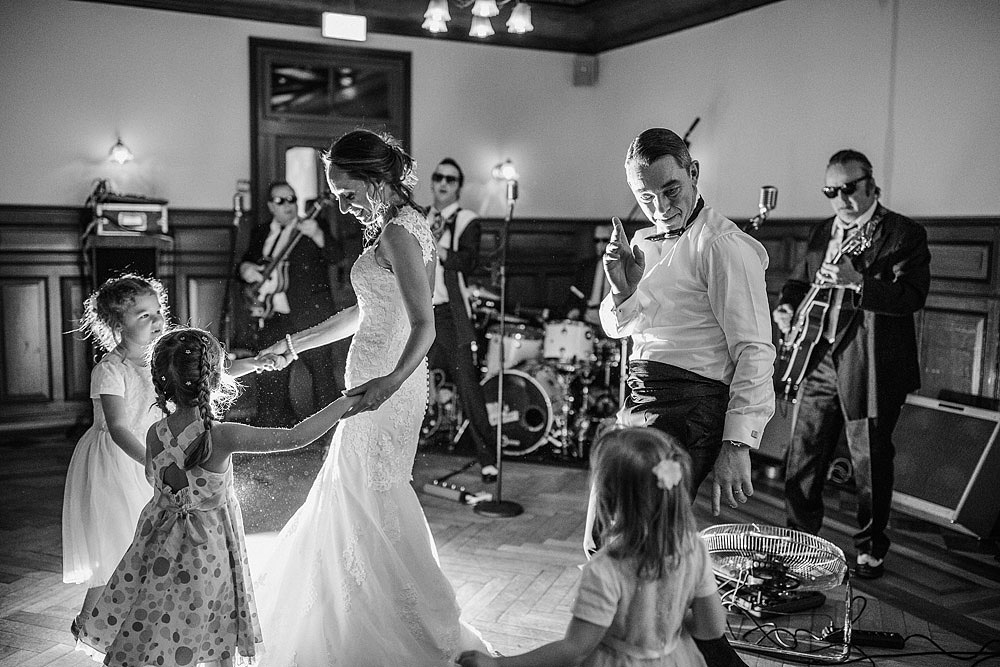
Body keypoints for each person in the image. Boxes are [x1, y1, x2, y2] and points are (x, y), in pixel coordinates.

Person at [253, 130, 491, 664]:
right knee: (355, 495)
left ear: (376, 179)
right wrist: (294, 344)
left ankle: (398, 623)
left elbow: (425, 323)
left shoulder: (401, 234)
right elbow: (367, 311)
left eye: (345, 192)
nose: (340, 204)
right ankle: (358, 610)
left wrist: (390, 382)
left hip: (388, 388)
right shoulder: (393, 225)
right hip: (376, 381)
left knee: (374, 496)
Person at [74, 327, 358, 667]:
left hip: (158, 544)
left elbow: (155, 477)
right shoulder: (221, 437)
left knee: (159, 613)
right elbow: (296, 438)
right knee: (207, 618)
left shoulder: (155, 433)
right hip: (207, 548)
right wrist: (346, 401)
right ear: (214, 379)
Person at [597, 128, 776, 520]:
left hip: (690, 412)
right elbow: (617, 328)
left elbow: (755, 349)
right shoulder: (640, 242)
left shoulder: (722, 245)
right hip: (639, 398)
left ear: (693, 172)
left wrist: (737, 445)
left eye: (670, 191)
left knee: (641, 534)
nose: (660, 208)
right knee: (605, 529)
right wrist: (620, 289)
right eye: (646, 198)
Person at [772, 149, 930, 580]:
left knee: (870, 461)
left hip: (870, 361)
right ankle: (798, 544)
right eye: (830, 191)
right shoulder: (823, 231)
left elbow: (912, 296)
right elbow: (799, 281)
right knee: (803, 456)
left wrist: (858, 283)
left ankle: (870, 548)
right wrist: (786, 307)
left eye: (848, 188)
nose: (840, 198)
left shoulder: (902, 234)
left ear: (870, 184)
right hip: (819, 357)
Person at [457, 427, 735, 667]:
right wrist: (664, 625)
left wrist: (499, 663)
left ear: (609, 499)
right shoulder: (694, 549)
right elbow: (711, 628)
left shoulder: (606, 569)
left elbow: (574, 651)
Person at [63, 274, 168, 639]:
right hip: (118, 462)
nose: (156, 321)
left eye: (157, 312)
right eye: (143, 315)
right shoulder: (109, 370)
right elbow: (120, 428)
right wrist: (152, 462)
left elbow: (206, 375)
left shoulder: (159, 359)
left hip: (147, 457)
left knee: (148, 545)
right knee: (118, 549)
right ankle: (87, 622)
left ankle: (145, 625)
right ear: (117, 324)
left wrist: (254, 363)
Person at [239, 181, 341, 427]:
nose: (288, 205)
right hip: (274, 314)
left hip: (309, 314)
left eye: (292, 199)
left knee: (321, 373)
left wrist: (317, 234)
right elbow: (244, 263)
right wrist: (246, 269)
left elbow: (337, 256)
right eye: (280, 201)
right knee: (269, 371)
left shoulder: (312, 226)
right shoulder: (262, 232)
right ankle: (276, 427)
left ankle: (326, 430)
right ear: (270, 207)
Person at [426, 157, 498, 482]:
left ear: (459, 186)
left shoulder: (467, 220)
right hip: (418, 312)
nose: (443, 183)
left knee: (467, 384)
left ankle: (488, 458)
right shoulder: (419, 217)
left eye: (450, 179)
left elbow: (467, 262)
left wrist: (436, 247)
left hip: (450, 313)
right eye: (439, 177)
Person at [564, 224, 614, 325]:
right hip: (590, 316)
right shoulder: (587, 266)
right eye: (597, 240)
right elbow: (575, 293)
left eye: (604, 240)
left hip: (612, 316)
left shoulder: (620, 266)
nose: (600, 245)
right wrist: (576, 309)